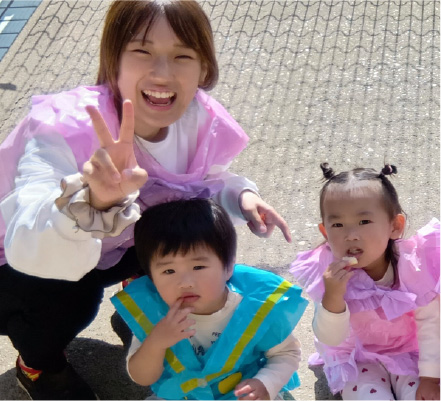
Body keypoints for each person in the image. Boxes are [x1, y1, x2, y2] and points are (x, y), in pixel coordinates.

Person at [0, 1, 292, 399]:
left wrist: (240, 195)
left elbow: (203, 181)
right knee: (73, 299)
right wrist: (92, 204)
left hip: (118, 244)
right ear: (113, 59)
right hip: (22, 261)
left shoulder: (198, 119)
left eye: (182, 55)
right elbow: (28, 230)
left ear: (204, 69)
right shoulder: (63, 128)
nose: (162, 73)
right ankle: (39, 365)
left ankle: (141, 312)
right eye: (142, 51)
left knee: (188, 237)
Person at [111, 198, 308, 400]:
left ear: (228, 266)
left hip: (242, 392)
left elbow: (286, 354)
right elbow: (142, 378)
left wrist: (265, 383)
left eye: (198, 267)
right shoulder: (156, 315)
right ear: (151, 278)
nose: (185, 283)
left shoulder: (254, 308)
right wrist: (156, 343)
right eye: (169, 271)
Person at [290, 163, 440, 400]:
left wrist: (431, 377)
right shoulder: (328, 271)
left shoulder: (414, 266)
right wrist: (333, 297)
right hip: (356, 358)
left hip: (408, 350)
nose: (351, 235)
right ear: (325, 232)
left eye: (364, 222)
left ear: (395, 226)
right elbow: (331, 338)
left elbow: (431, 322)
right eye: (337, 225)